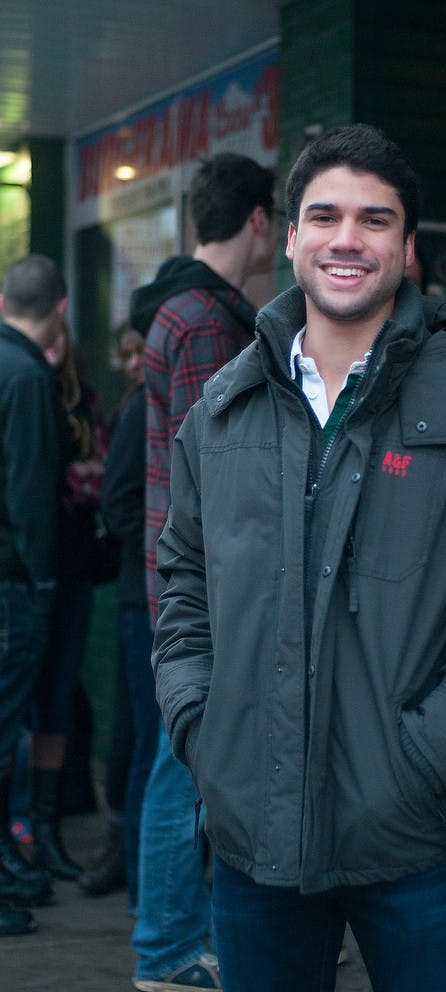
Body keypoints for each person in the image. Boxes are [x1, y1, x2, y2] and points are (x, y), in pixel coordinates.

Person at [151, 123, 446, 992]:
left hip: (411, 839)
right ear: (292, 237)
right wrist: (201, 727)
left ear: (408, 249)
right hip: (254, 840)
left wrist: (418, 763)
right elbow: (182, 587)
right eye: (326, 215)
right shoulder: (222, 413)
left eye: (375, 220)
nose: (349, 238)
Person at [131, 153, 279, 992]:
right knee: (182, 769)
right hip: (203, 594)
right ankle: (170, 952)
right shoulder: (205, 321)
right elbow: (219, 474)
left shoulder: (181, 309)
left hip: (183, 585)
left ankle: (174, 944)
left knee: (179, 764)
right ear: (259, 219)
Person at [0, 255, 69, 935]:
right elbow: (29, 497)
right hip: (11, 585)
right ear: (62, 307)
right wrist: (43, 580)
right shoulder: (25, 377)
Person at [30, 320, 111, 883]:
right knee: (20, 705)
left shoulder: (84, 402)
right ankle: (20, 830)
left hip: (74, 569)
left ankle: (47, 829)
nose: (53, 352)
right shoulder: (21, 390)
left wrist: (74, 477)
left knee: (58, 698)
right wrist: (74, 476)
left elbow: (99, 479)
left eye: (60, 341)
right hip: (27, 571)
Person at [79, 324, 153, 901]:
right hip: (139, 595)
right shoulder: (137, 411)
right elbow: (119, 500)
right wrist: (155, 552)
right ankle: (126, 861)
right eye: (124, 353)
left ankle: (132, 864)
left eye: (137, 352)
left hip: (147, 592)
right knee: (134, 739)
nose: (131, 364)